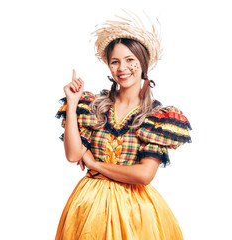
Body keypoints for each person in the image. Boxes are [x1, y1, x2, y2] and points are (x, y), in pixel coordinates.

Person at [55, 12, 192, 240]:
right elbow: (72, 154)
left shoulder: (156, 116)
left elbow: (144, 174)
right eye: (115, 61)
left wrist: (93, 163)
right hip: (89, 208)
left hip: (135, 212)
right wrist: (71, 103)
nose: (122, 68)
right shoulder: (93, 106)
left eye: (130, 60)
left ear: (142, 63)